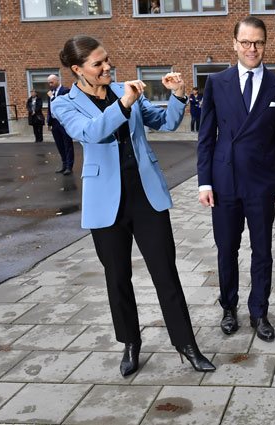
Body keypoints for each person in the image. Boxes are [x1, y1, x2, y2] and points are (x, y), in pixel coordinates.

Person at [51, 35, 215, 376]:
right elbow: (92, 132)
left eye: (107, 60)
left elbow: (166, 123)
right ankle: (130, 343)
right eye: (98, 64)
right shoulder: (64, 104)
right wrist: (123, 104)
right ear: (78, 70)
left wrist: (178, 94)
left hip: (146, 195)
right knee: (118, 277)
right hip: (104, 202)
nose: (107, 67)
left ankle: (187, 345)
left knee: (166, 273)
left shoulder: (125, 88)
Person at [197, 16, 275, 342]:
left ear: (265, 44)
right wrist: (204, 182)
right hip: (223, 182)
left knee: (262, 250)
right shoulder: (216, 82)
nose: (252, 49)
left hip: (261, 182)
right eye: (246, 42)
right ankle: (228, 307)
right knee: (227, 248)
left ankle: (259, 311)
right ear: (235, 44)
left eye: (259, 42)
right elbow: (206, 136)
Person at [47, 74, 75, 175]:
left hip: (64, 122)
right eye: (49, 83)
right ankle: (64, 165)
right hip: (54, 122)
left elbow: (61, 105)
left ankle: (69, 166)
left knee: (67, 144)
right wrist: (49, 122)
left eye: (52, 82)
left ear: (57, 80)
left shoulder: (65, 91)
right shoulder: (52, 92)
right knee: (60, 145)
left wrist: (52, 97)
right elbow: (50, 109)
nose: (50, 84)